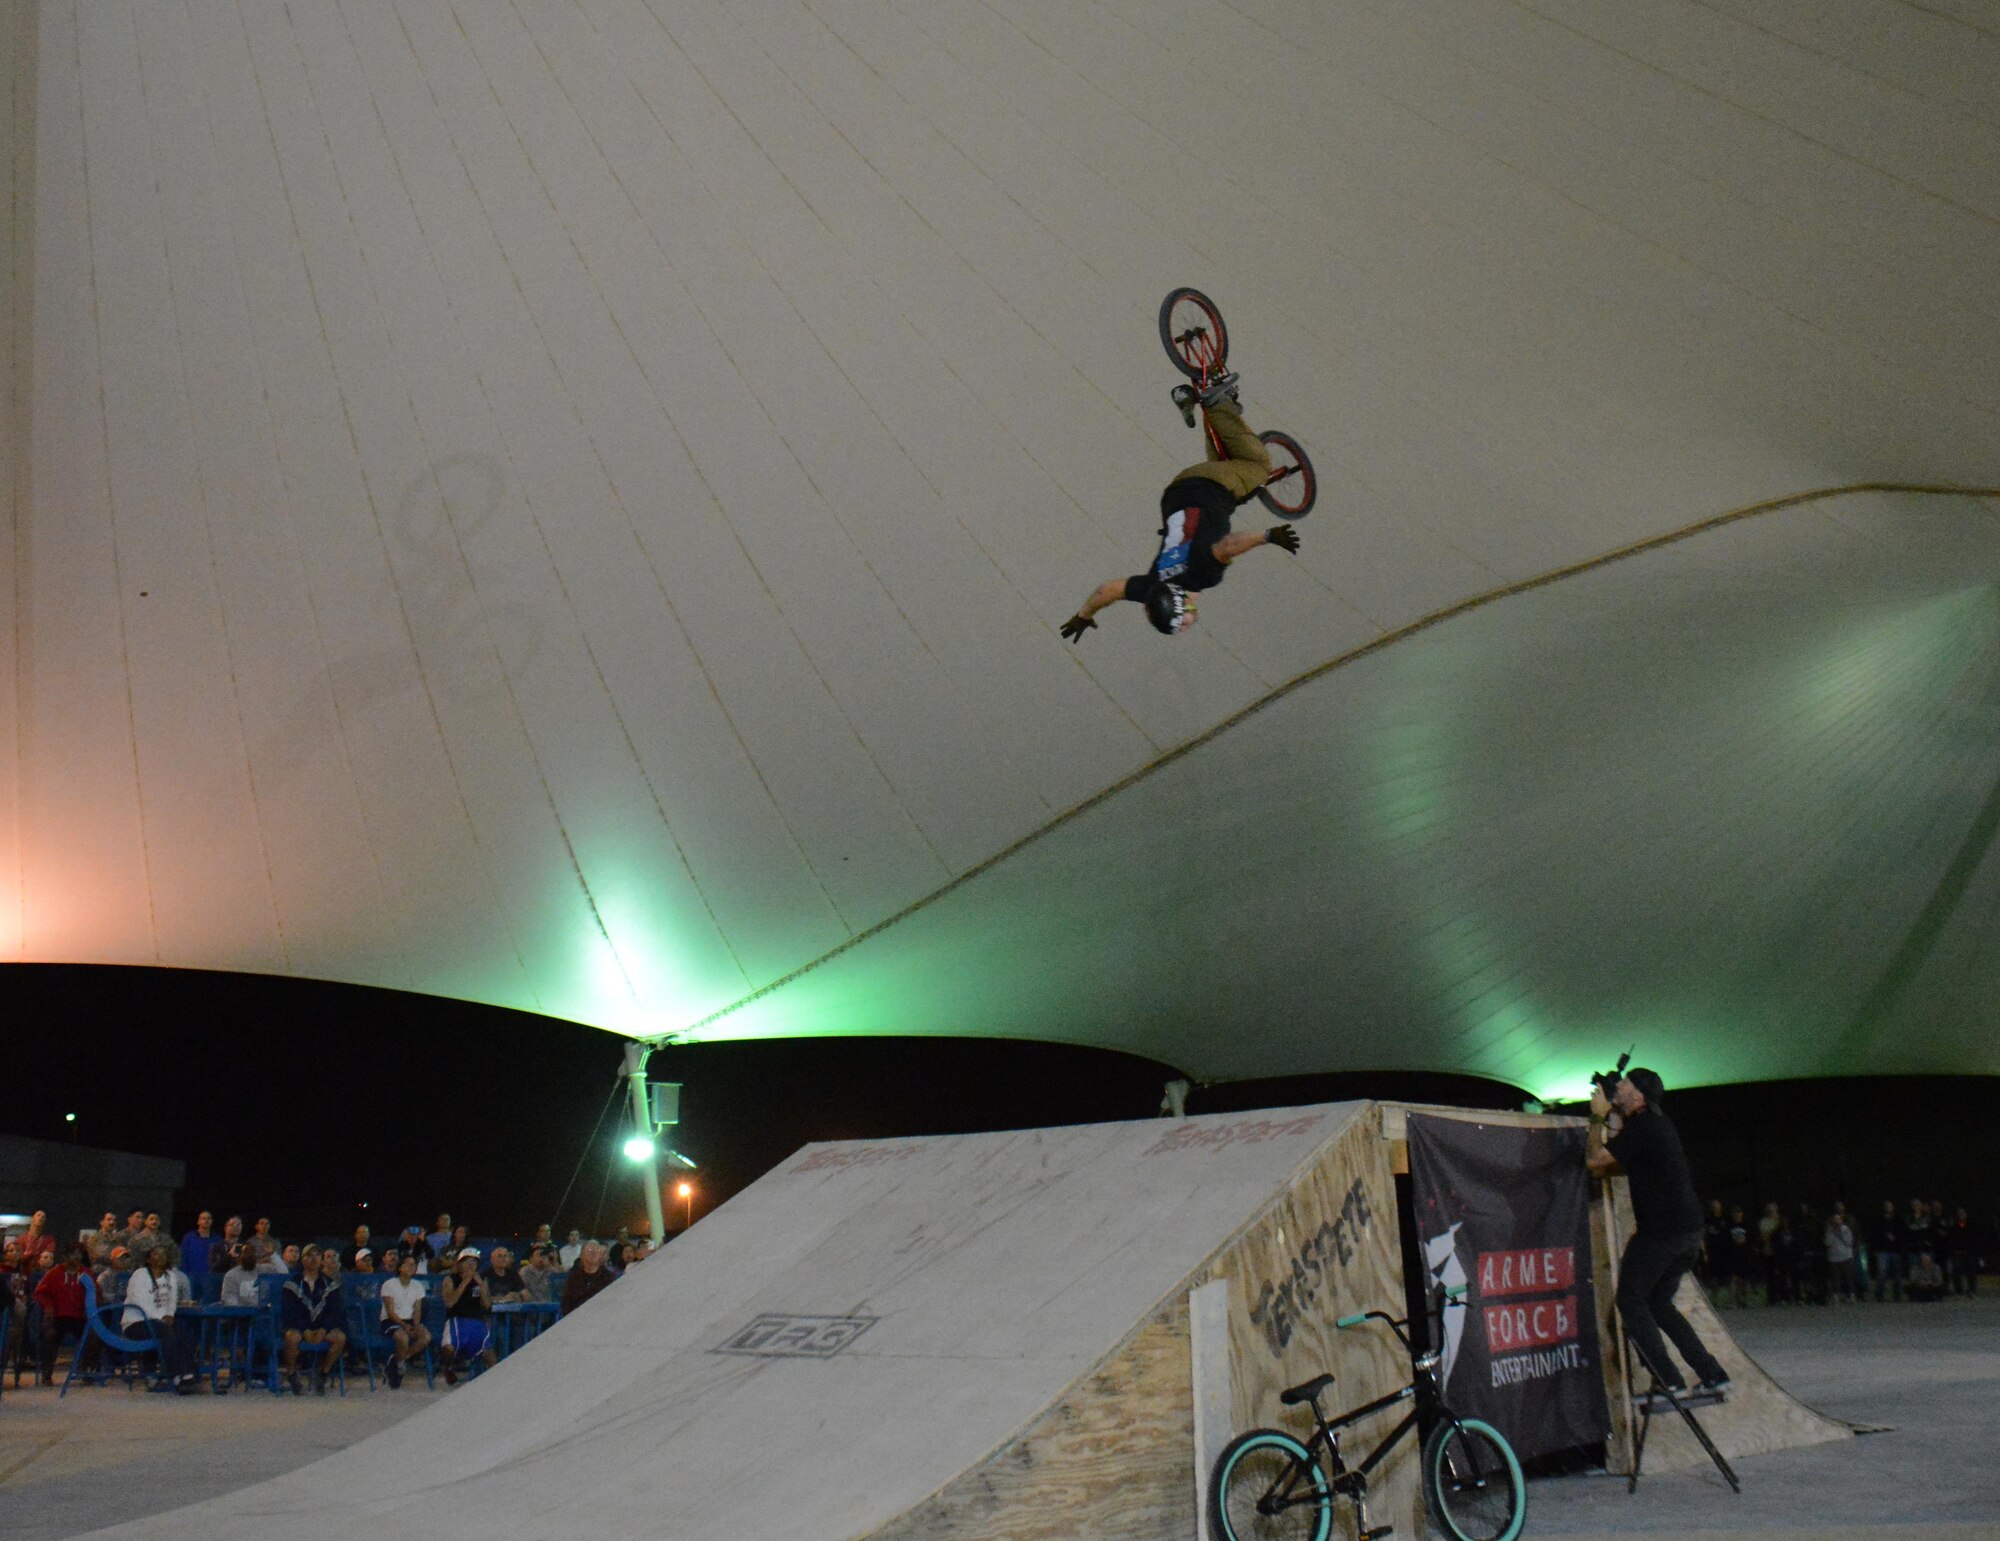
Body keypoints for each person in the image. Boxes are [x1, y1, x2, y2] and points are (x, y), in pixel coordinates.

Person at [1059, 382, 1299, 641]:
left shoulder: (1203, 574)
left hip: (1212, 486)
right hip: (1176, 494)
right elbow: (1106, 591)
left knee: (1258, 466)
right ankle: (1215, 413)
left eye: (1185, 619)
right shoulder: (1150, 587)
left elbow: (1229, 545)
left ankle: (1215, 402)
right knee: (1227, 468)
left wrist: (1268, 536)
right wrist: (1084, 615)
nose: (1188, 623)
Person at [1587, 1068, 1730, 1395]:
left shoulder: (1644, 1128)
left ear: (1638, 1095)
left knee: (1630, 1299)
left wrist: (1596, 1118)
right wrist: (1612, 1115)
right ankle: (1713, 1374)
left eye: (1623, 1085)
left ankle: (1668, 1379)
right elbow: (1623, 1163)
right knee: (1659, 1303)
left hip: (1661, 1232)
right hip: (1687, 1231)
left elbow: (1595, 1161)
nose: (1617, 1088)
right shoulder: (1657, 1125)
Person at [123, 1246, 199, 1393]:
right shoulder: (139, 1275)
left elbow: (172, 1300)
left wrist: (170, 1314)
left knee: (182, 1330)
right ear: (148, 1259)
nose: (160, 1256)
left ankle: (188, 1374)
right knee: (166, 1332)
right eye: (156, 1254)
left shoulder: (170, 1276)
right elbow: (138, 1301)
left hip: (162, 1321)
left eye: (163, 1253)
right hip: (136, 1322)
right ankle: (176, 1376)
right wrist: (160, 1318)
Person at [279, 1245, 346, 1395]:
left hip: (322, 1327)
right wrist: (305, 1329)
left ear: (321, 1260)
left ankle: (322, 1374)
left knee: (340, 1338)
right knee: (291, 1338)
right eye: (309, 1255)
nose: (313, 1258)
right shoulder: (292, 1284)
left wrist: (324, 1329)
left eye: (316, 1255)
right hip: (299, 1327)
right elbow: (290, 1312)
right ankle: (291, 1373)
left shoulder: (330, 1284)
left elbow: (335, 1311)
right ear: (302, 1260)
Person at [32, 1247, 91, 1386]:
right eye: (73, 1254)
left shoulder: (86, 1273)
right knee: (50, 1335)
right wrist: (48, 1306)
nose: (76, 1258)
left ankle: (87, 1371)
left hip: (80, 1316)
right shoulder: (54, 1273)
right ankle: (47, 1373)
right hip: (57, 1315)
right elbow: (40, 1293)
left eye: (79, 1255)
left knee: (93, 1335)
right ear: (66, 1256)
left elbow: (95, 1292)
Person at [439, 1248, 496, 1385]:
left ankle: (496, 1380)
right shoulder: (450, 1279)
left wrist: (481, 1285)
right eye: (467, 1261)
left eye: (474, 1261)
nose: (471, 1264)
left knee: (489, 1352)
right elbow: (450, 1302)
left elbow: (487, 1305)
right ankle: (447, 1369)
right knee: (448, 1348)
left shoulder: (481, 1281)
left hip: (476, 1321)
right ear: (459, 1264)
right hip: (456, 1320)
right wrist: (464, 1282)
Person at [378, 1253, 431, 1389]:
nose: (411, 1267)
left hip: (410, 1320)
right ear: (400, 1267)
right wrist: (404, 1326)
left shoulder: (418, 1286)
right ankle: (399, 1367)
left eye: (413, 1265)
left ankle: (397, 1361)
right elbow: (390, 1311)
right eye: (408, 1264)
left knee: (425, 1337)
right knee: (402, 1337)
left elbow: (417, 1308)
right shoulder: (389, 1284)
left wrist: (416, 1325)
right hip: (392, 1320)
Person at [560, 1241, 615, 1316]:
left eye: (597, 1250)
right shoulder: (574, 1276)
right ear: (582, 1255)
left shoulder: (608, 1276)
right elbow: (566, 1302)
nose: (593, 1253)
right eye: (590, 1250)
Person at [1824, 1203, 1860, 1303]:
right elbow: (1827, 1243)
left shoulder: (1846, 1229)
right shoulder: (1829, 1230)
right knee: (1835, 1278)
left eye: (1838, 1219)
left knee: (1848, 1276)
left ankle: (1852, 1295)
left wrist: (1840, 1232)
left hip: (1846, 1256)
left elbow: (1849, 1241)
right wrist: (1831, 1232)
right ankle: (1836, 1295)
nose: (1837, 1221)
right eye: (1835, 1219)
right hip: (1834, 1257)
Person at [1870, 1199, 1904, 1302]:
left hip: (1895, 1250)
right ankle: (1879, 1296)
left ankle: (1897, 1296)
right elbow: (1874, 1235)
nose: (1888, 1208)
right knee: (1881, 1274)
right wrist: (1875, 1249)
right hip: (1882, 1250)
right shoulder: (1879, 1220)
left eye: (1890, 1206)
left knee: (1897, 1274)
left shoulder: (1898, 1220)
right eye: (1887, 1206)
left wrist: (1900, 1247)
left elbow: (1902, 1234)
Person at [179, 1211, 219, 1277]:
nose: (206, 1220)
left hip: (210, 1278)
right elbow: (183, 1259)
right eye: (203, 1218)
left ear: (212, 1221)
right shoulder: (188, 1238)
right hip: (191, 1277)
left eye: (209, 1218)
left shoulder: (217, 1239)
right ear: (198, 1221)